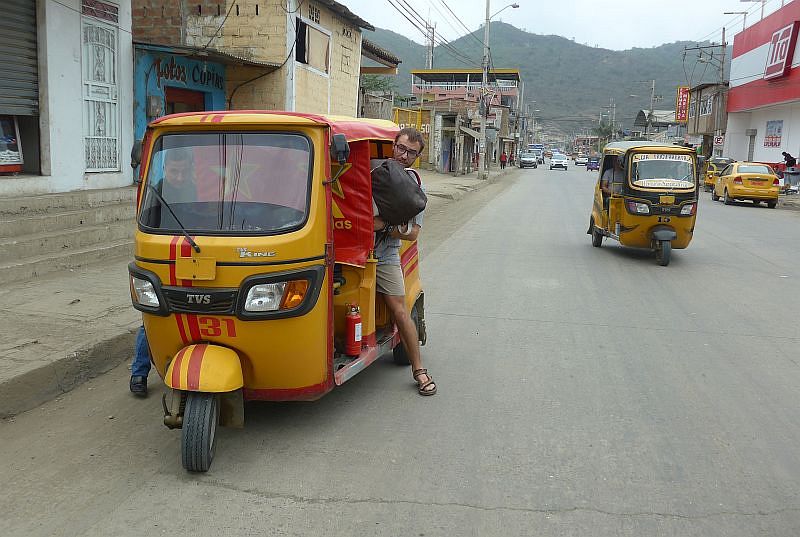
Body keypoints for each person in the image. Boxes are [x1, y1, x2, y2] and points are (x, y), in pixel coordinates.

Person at [372, 128, 436, 396]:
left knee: (400, 310)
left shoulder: (414, 187)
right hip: (348, 250)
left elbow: (412, 233)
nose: (403, 155)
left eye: (411, 153)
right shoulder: (370, 169)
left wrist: (383, 227)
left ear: (417, 157)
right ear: (393, 145)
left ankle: (419, 370)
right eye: (401, 148)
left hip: (385, 253)